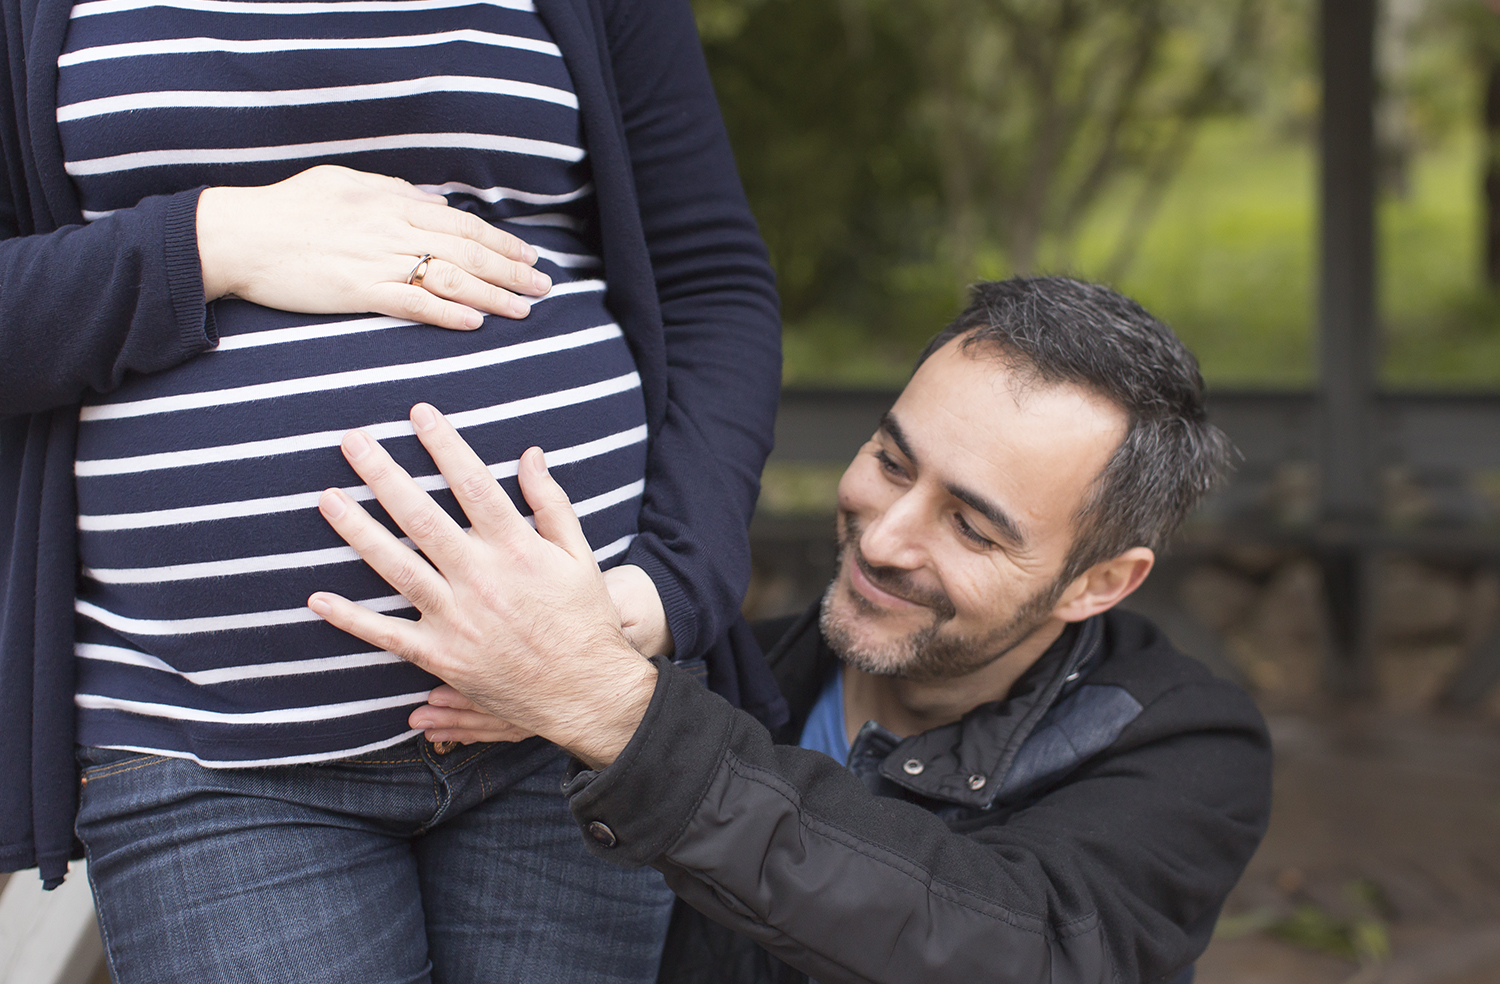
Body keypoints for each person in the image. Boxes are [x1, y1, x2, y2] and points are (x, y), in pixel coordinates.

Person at [0, 0, 781, 981]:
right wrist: (210, 243)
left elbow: (714, 280)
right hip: (209, 743)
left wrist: (665, 591)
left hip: (571, 727)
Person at [309, 277, 1275, 984]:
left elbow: (1022, 952)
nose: (884, 537)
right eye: (892, 463)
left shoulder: (1182, 743)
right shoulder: (731, 675)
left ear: (1098, 583)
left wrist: (616, 713)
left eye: (973, 526)